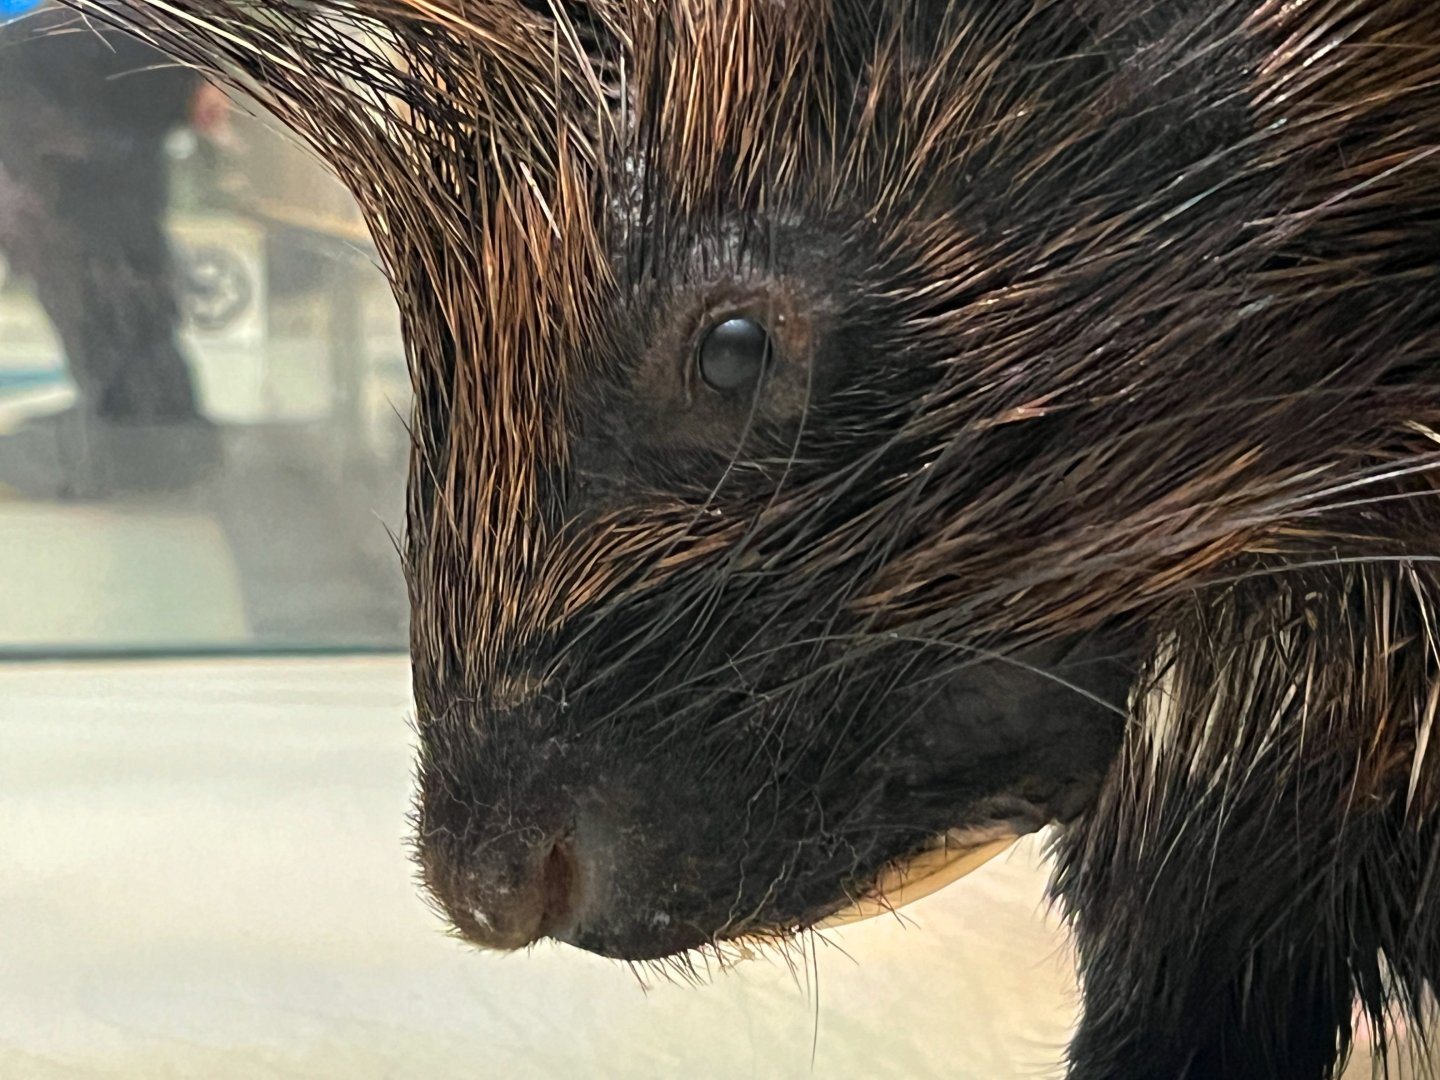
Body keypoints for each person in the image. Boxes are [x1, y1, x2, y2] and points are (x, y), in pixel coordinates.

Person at [0, 4, 230, 494]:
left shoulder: (79, 35)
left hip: (90, 194)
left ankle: (148, 446)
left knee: (118, 311)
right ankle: (138, 438)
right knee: (104, 316)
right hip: (75, 189)